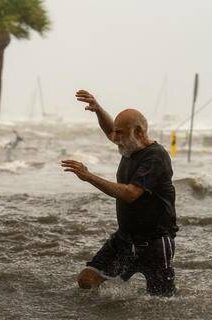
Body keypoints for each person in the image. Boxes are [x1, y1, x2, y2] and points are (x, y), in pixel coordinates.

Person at [61, 90, 178, 296]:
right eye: (115, 133)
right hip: (125, 239)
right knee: (87, 280)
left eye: (120, 133)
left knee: (161, 303)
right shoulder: (129, 146)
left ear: (139, 132)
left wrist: (89, 176)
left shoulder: (155, 157)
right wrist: (98, 109)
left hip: (155, 243)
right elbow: (110, 130)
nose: (114, 138)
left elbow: (131, 193)